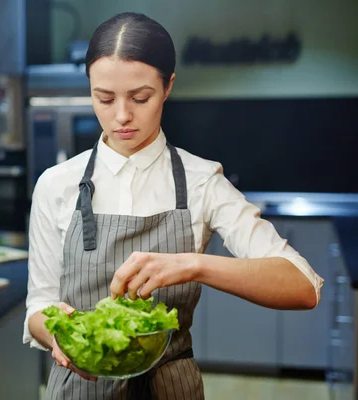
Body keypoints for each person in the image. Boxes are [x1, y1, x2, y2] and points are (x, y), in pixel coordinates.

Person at [23, 11, 324, 400]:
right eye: (104, 97)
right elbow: (38, 307)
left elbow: (303, 288)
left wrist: (193, 265)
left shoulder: (202, 182)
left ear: (167, 87)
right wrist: (57, 332)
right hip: (79, 389)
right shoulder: (56, 184)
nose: (121, 116)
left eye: (140, 97)